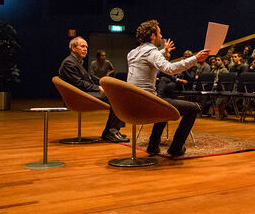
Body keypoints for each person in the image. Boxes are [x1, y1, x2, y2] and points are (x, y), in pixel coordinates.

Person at [126, 20, 210, 157]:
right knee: (194, 108)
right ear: (153, 36)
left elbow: (147, 57)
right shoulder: (152, 52)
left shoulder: (132, 53)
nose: (161, 36)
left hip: (131, 104)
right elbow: (169, 69)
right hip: (147, 103)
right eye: (159, 33)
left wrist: (163, 51)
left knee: (164, 105)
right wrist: (195, 58)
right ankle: (175, 149)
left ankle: (153, 147)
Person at [59, 37, 127, 143]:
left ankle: (111, 131)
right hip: (78, 96)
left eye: (86, 47)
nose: (85, 49)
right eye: (82, 46)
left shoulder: (76, 62)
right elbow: (79, 84)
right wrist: (98, 88)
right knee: (117, 97)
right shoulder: (69, 63)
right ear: (73, 48)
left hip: (82, 93)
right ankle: (111, 131)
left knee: (116, 96)